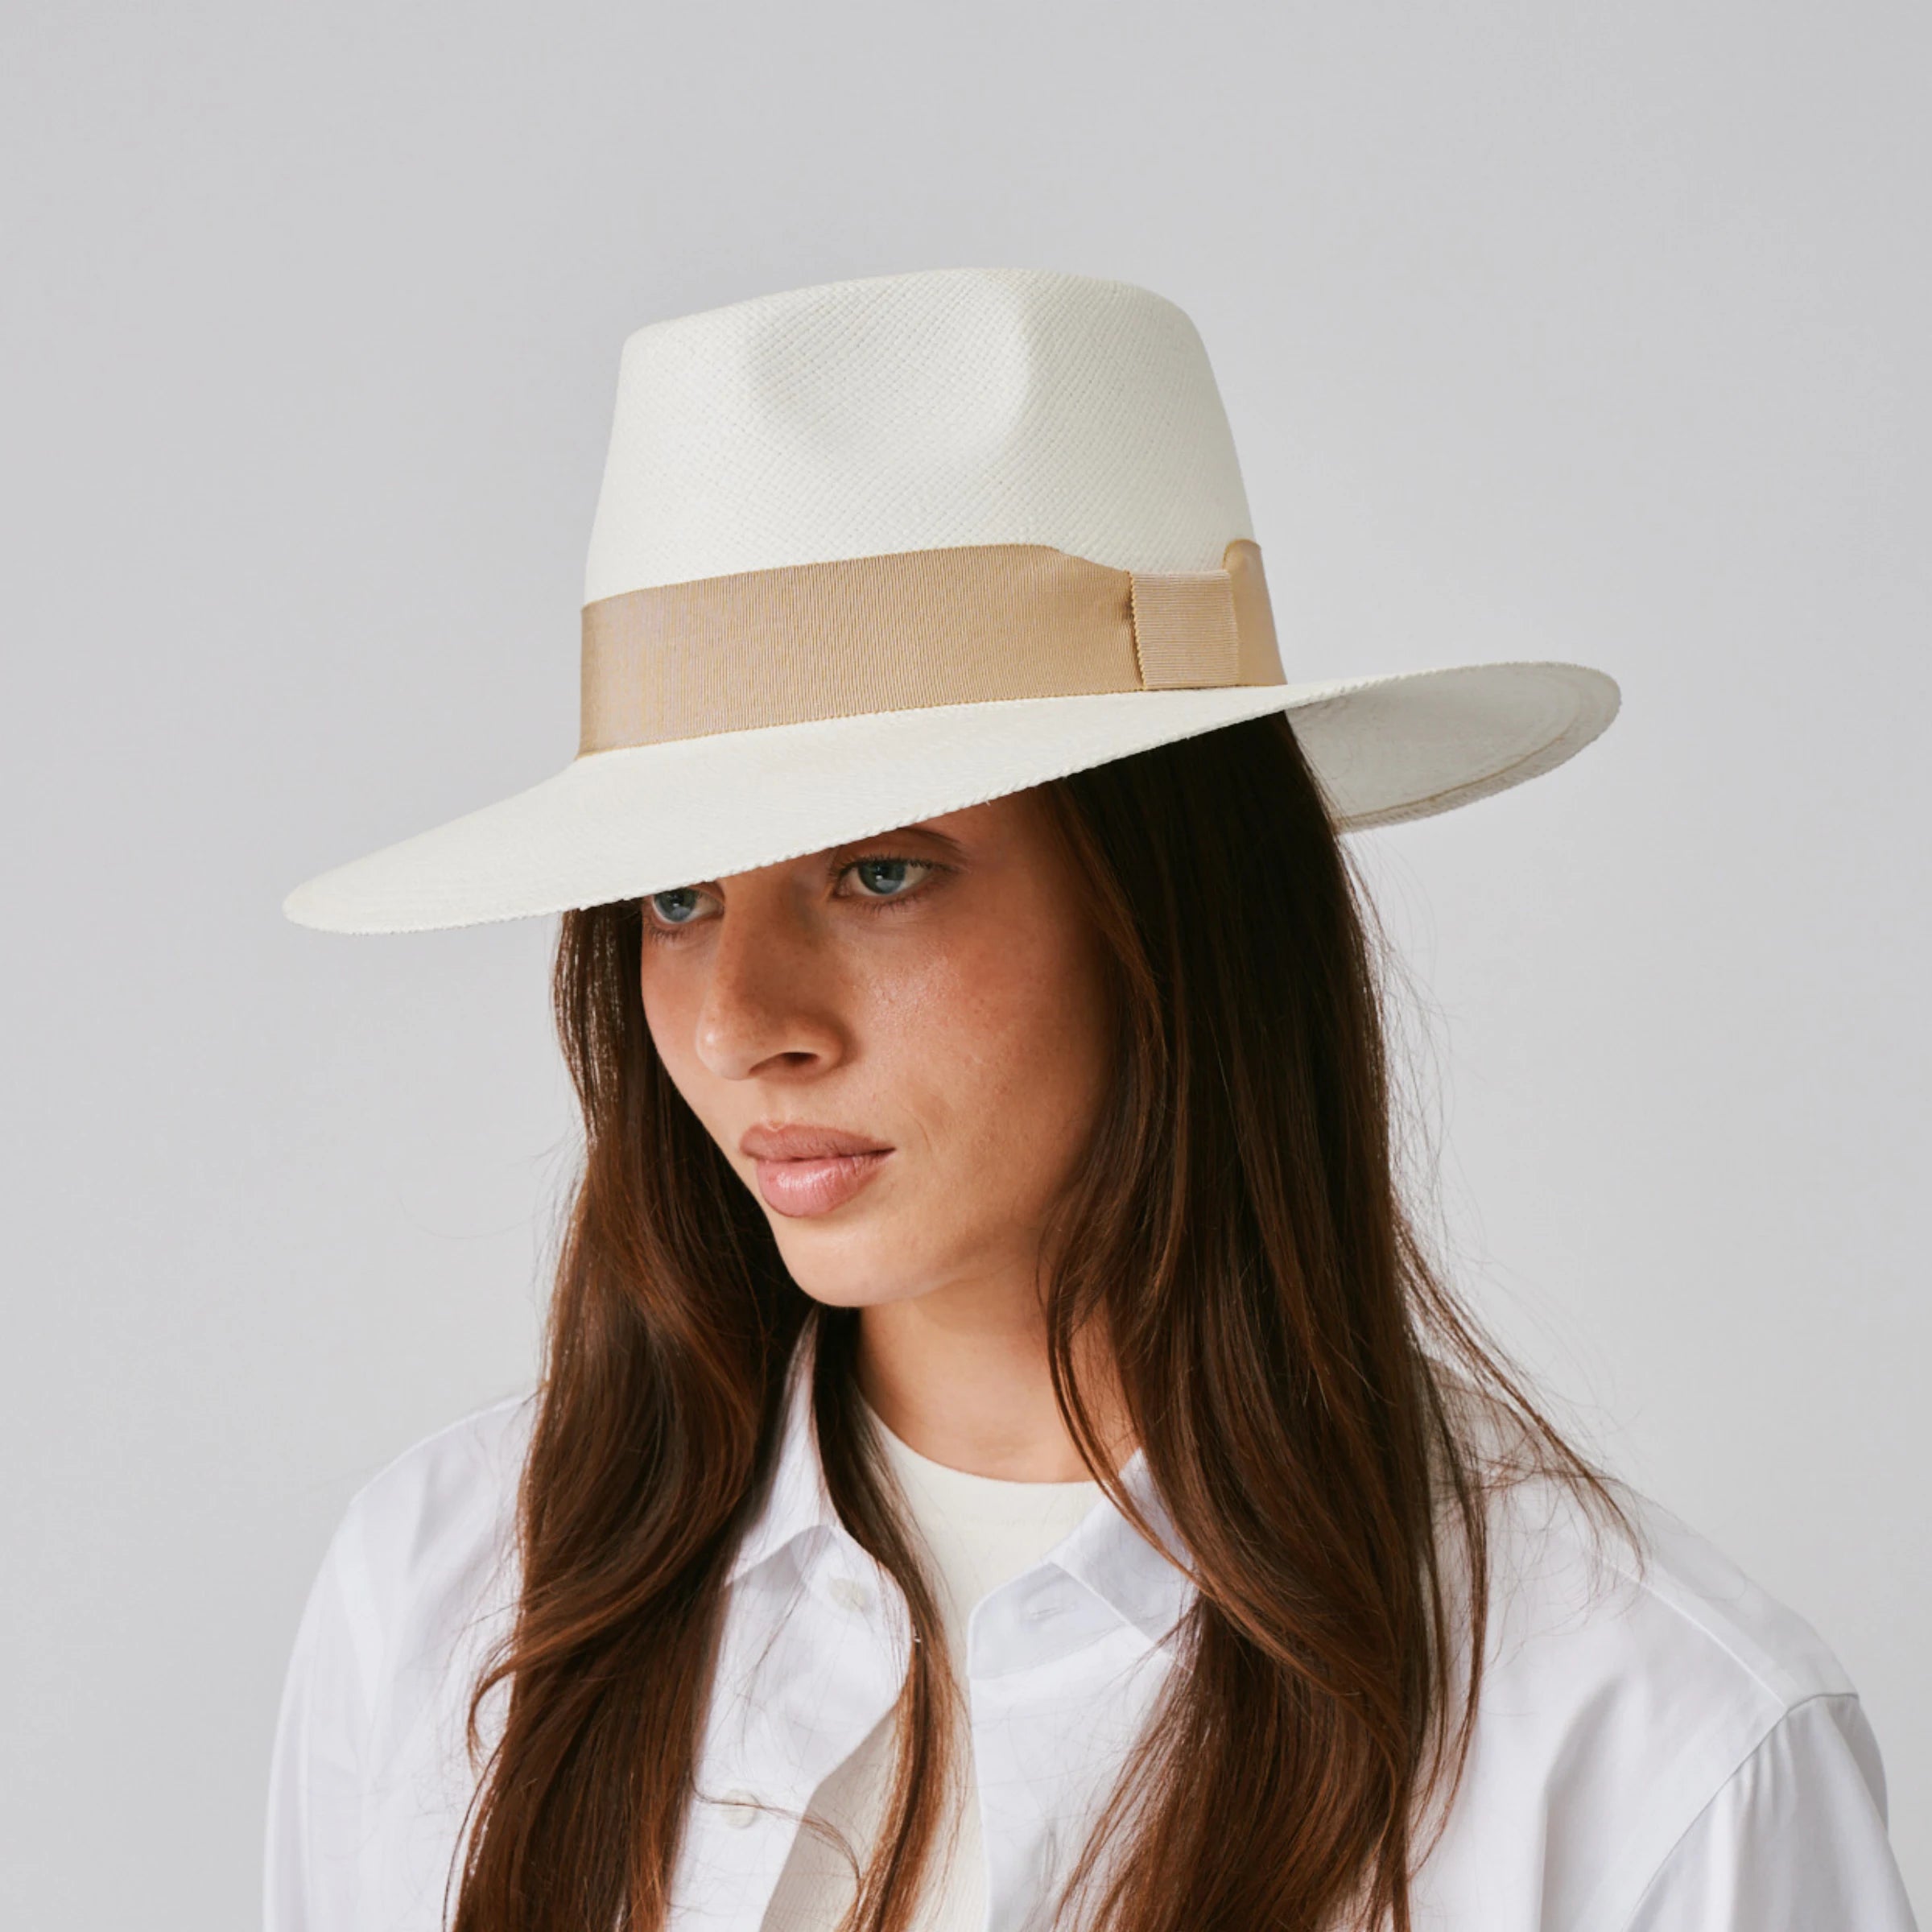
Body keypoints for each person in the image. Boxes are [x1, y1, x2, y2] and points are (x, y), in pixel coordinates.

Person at [267, 267, 1918, 1932]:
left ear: (1170, 908)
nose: (747, 1020)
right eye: (676, 898)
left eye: (883, 868)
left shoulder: (1644, 1745)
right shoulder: (454, 1600)